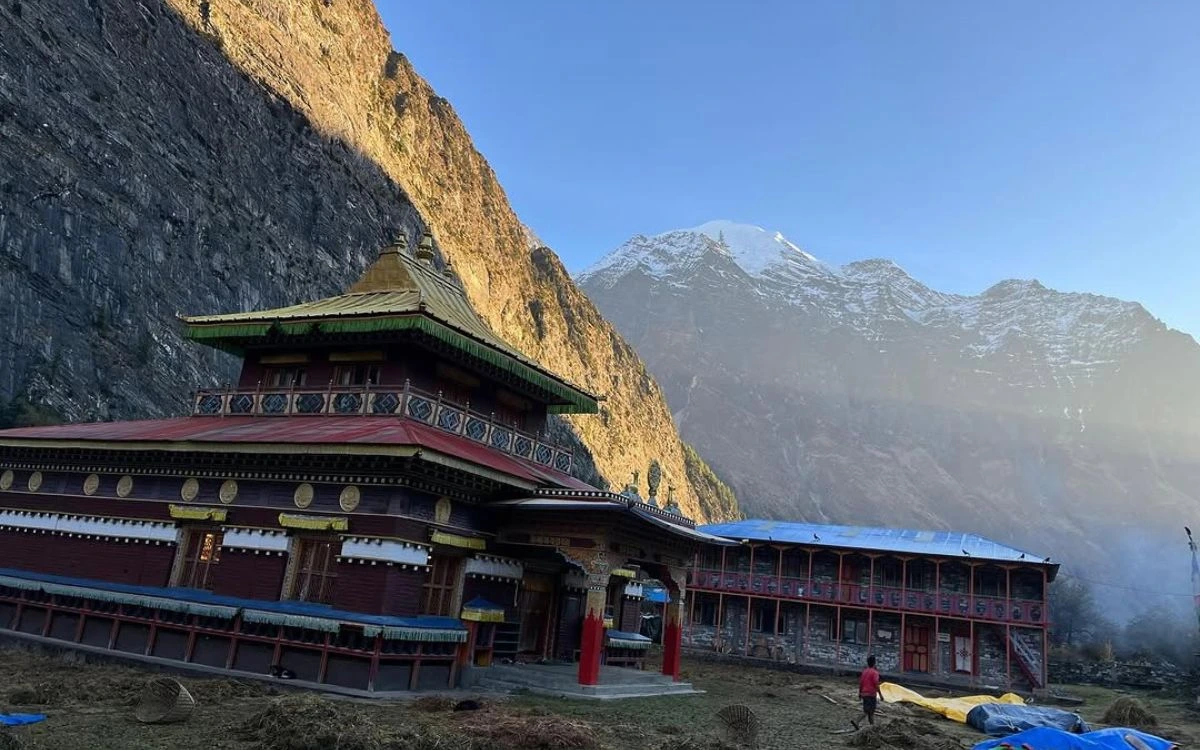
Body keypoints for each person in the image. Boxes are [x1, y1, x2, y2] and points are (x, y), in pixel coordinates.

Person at [851, 655, 884, 730]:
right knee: (867, 711)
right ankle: (857, 721)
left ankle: (872, 727)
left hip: (864, 693)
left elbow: (861, 683)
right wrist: (880, 695)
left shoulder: (865, 671)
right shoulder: (875, 673)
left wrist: (860, 693)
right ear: (874, 663)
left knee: (870, 712)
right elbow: (876, 684)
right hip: (871, 694)